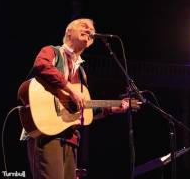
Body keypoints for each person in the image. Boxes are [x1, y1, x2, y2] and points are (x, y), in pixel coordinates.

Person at [21, 18, 132, 179]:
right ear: (68, 32)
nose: (89, 30)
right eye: (83, 26)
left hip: (70, 138)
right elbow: (42, 65)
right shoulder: (52, 52)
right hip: (45, 132)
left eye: (91, 29)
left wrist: (113, 108)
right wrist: (69, 88)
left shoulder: (81, 73)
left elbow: (83, 110)